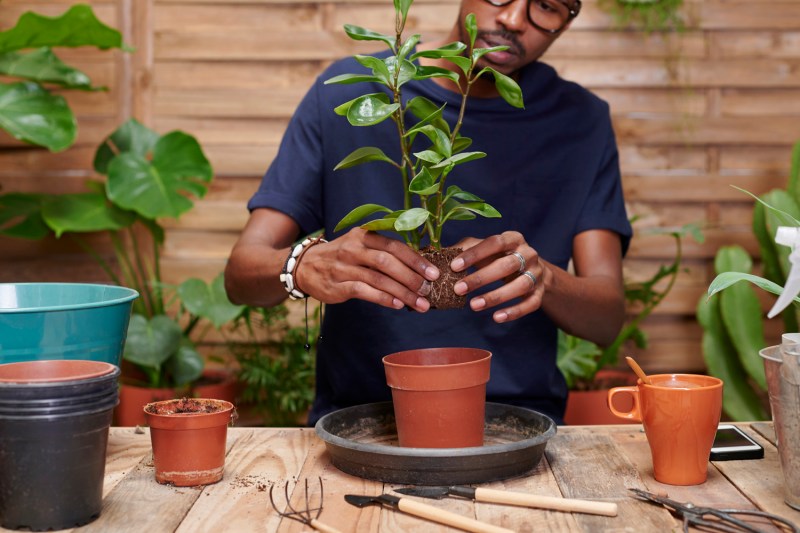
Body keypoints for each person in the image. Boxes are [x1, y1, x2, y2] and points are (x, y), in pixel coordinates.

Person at [225, 0, 633, 425]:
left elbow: (606, 318)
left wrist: (545, 279)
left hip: (518, 426)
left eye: (546, 7)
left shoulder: (580, 121)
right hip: (355, 423)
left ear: (568, 19)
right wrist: (303, 264)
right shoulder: (350, 95)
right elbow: (240, 274)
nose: (513, 20)